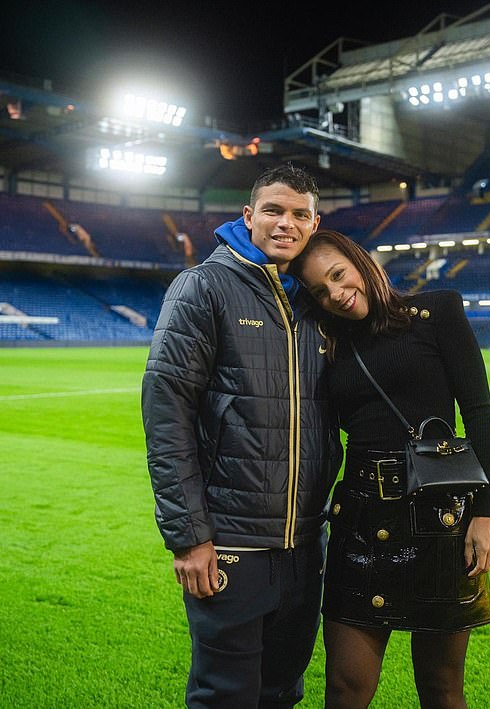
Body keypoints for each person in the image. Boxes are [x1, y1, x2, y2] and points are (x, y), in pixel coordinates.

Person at [141, 165, 342, 709]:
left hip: (304, 543)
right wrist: (189, 537)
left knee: (282, 690)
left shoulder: (314, 301)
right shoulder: (203, 287)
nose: (286, 223)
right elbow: (167, 417)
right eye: (274, 211)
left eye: (299, 214)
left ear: (314, 222)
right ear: (248, 216)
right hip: (230, 545)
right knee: (225, 696)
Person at [290, 229, 490, 709]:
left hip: (439, 521)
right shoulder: (328, 346)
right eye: (320, 291)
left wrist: (485, 514)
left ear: (360, 263)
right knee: (345, 687)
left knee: (441, 687)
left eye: (339, 276)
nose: (336, 295)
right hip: (360, 523)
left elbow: (479, 414)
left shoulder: (437, 313)